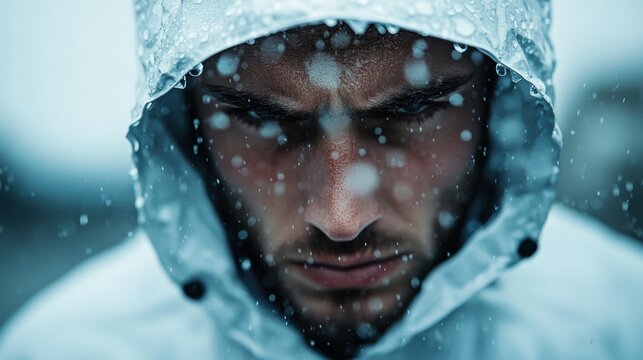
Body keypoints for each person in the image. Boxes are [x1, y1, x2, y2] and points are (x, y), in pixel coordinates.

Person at [1, 0, 642, 359]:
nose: (340, 218)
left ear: (500, 105)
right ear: (182, 120)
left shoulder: (619, 324)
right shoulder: (65, 351)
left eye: (412, 110)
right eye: (259, 118)